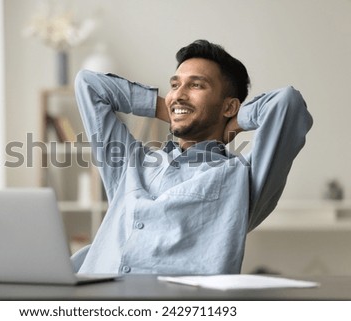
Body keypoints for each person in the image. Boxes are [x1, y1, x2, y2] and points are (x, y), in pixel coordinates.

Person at [71, 39, 313, 275]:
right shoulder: (132, 164)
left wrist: (233, 123)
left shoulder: (242, 177)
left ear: (229, 107)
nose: (179, 93)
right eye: (175, 85)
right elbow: (88, 84)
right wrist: (172, 109)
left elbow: (287, 104)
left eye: (196, 85)